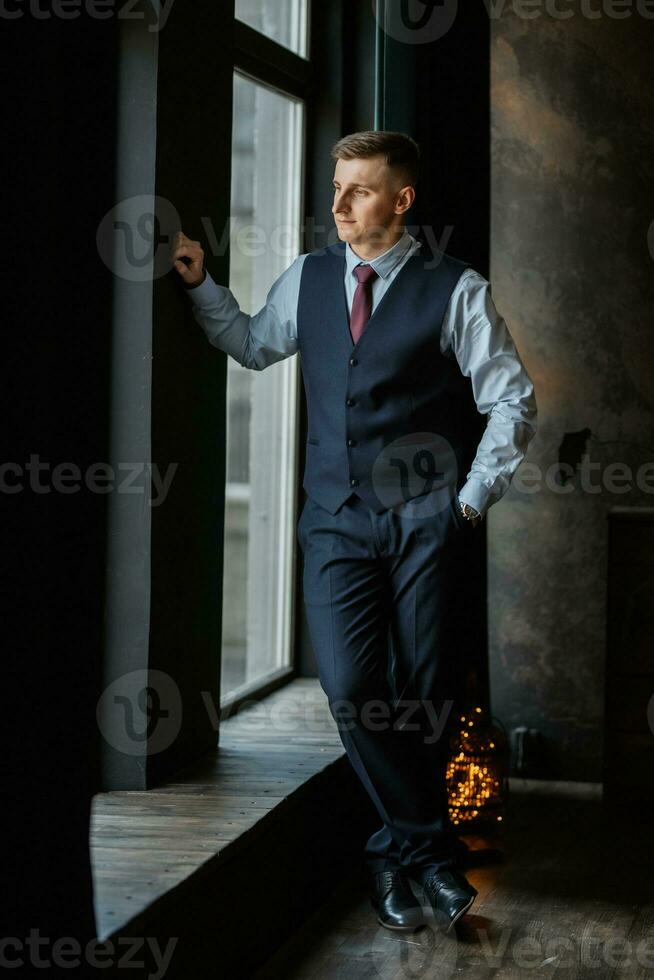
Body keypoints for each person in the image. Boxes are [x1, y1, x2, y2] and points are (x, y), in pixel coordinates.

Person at [171, 130, 537, 933]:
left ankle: (388, 853)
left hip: (426, 520)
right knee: (351, 690)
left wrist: (469, 502)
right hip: (334, 523)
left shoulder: (455, 289)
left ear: (401, 201)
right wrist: (204, 288)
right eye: (335, 187)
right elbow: (253, 344)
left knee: (430, 698)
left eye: (358, 190)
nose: (336, 204)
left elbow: (512, 402)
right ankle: (429, 852)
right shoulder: (307, 277)